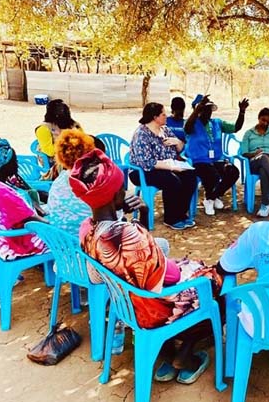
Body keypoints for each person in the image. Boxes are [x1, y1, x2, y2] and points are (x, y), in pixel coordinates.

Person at [70, 149, 221, 384]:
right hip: (152, 309)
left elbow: (98, 277)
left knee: (184, 268)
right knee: (214, 283)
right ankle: (185, 355)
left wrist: (141, 212)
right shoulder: (130, 234)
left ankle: (167, 351)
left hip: (125, 305)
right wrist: (191, 269)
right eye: (122, 187)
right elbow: (169, 277)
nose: (127, 191)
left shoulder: (87, 230)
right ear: (113, 195)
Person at [129, 102, 197, 230]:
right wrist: (172, 167)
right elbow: (146, 162)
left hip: (167, 165)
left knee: (190, 175)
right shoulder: (142, 134)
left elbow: (180, 148)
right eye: (163, 114)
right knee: (171, 180)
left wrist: (177, 142)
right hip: (143, 172)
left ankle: (180, 213)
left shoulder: (165, 129)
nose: (166, 116)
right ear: (155, 117)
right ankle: (171, 218)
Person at [185, 94, 248, 216]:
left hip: (217, 159)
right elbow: (187, 128)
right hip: (200, 161)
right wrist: (198, 108)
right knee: (212, 175)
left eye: (210, 109)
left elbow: (236, 127)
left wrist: (242, 112)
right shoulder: (192, 124)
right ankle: (211, 197)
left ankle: (212, 198)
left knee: (233, 172)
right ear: (198, 110)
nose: (208, 112)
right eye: (205, 109)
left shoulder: (217, 123)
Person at [44, 129, 100, 236]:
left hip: (61, 243)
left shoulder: (61, 179)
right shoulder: (91, 183)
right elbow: (109, 220)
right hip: (85, 245)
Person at [0, 138, 47, 261]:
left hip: (3, 238)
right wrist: (54, 224)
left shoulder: (7, 185)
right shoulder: (4, 192)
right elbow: (35, 220)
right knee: (65, 235)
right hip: (14, 244)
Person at [241, 107, 269, 217]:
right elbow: (244, 152)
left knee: (264, 171)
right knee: (263, 158)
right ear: (258, 118)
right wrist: (254, 154)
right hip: (255, 161)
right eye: (263, 120)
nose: (265, 123)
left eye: (268, 122)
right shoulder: (249, 133)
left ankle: (265, 205)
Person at [34, 99, 82, 180]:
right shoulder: (44, 128)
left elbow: (83, 141)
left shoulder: (74, 125)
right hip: (54, 160)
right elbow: (50, 151)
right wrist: (68, 147)